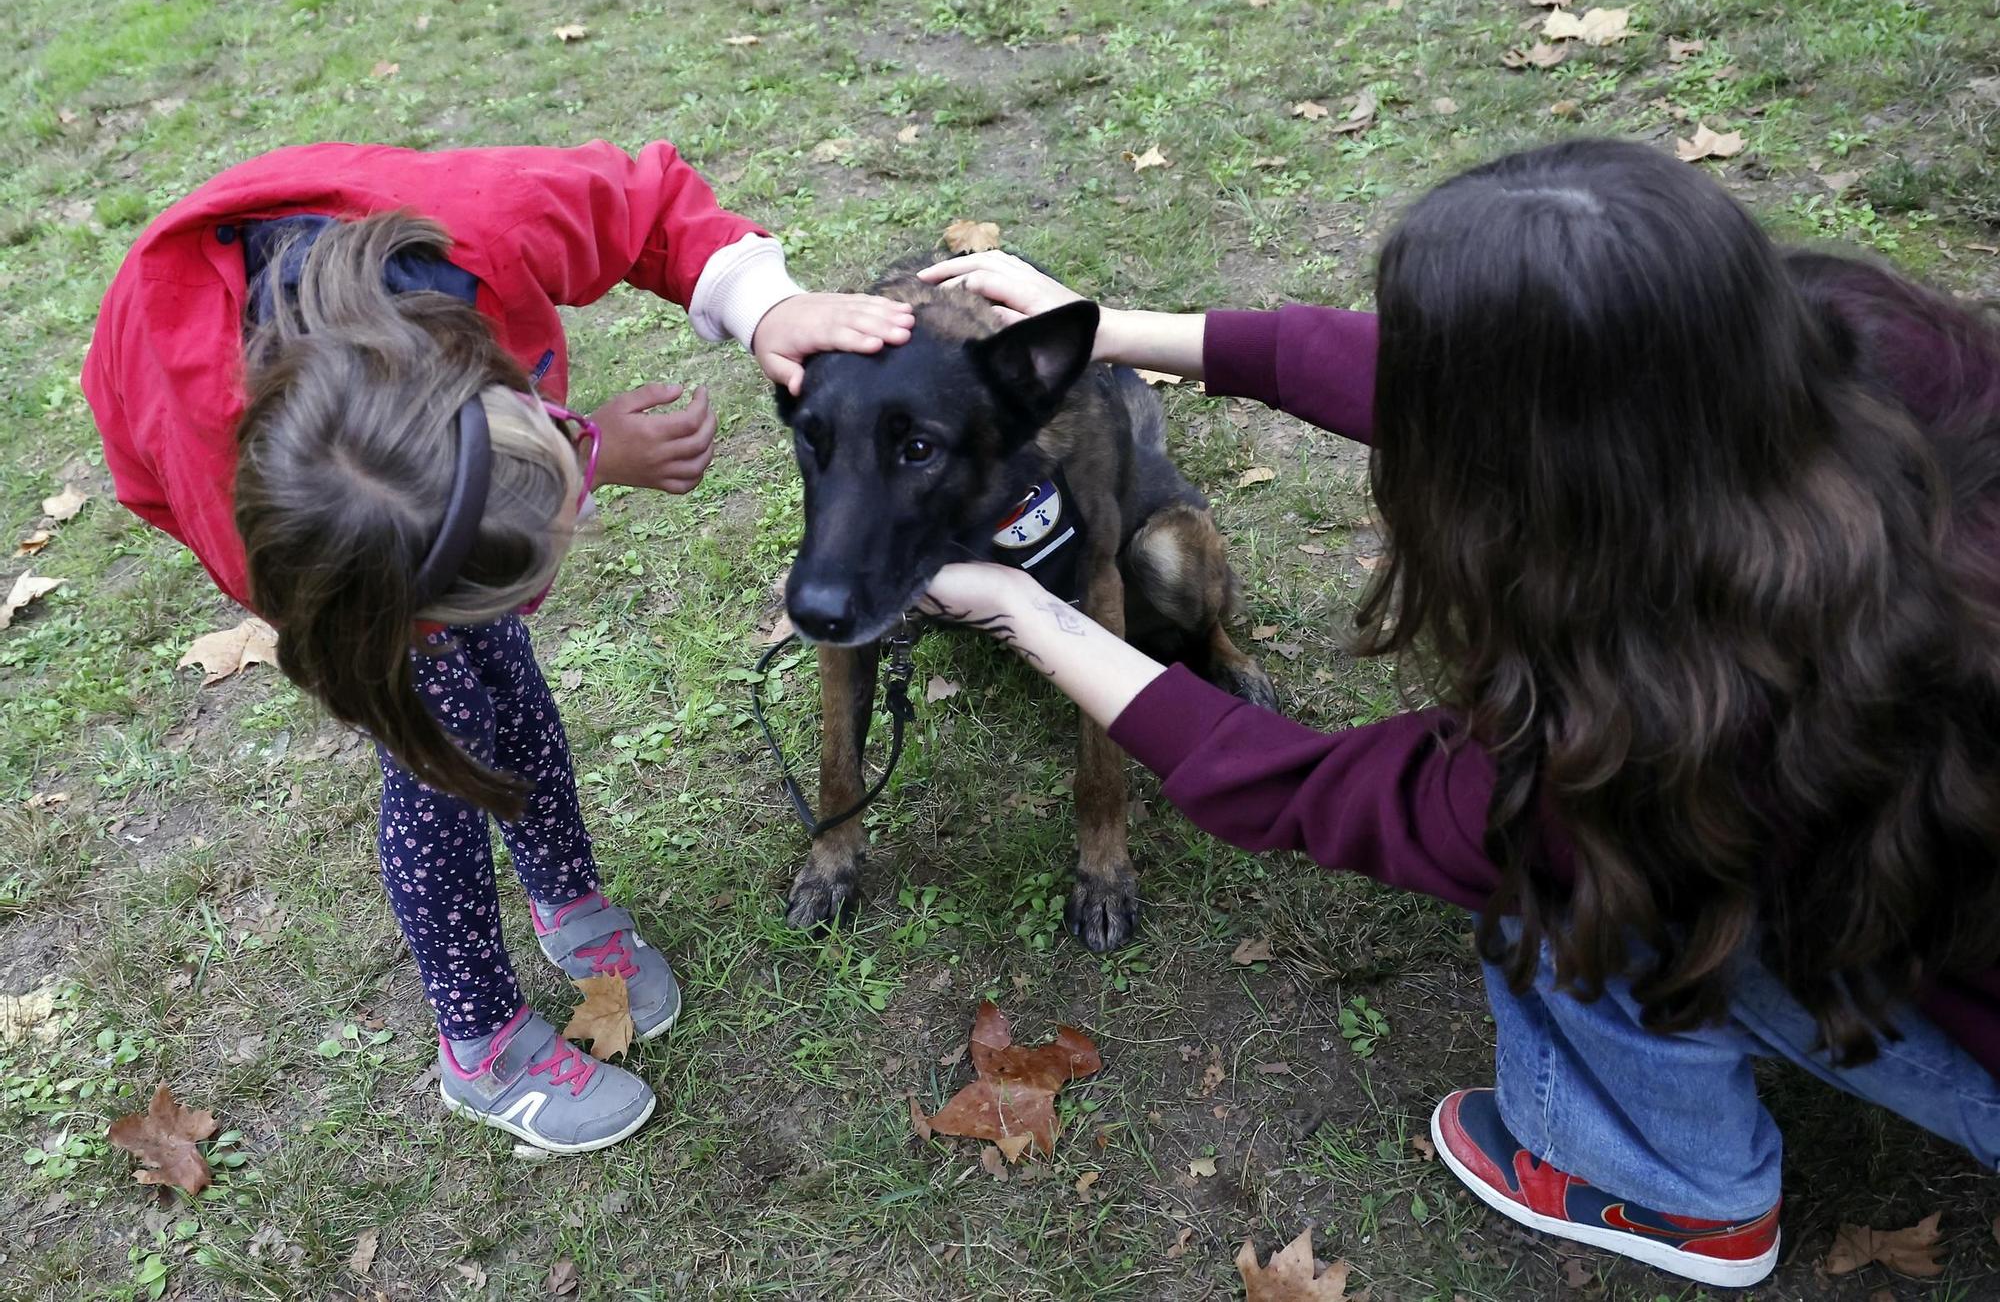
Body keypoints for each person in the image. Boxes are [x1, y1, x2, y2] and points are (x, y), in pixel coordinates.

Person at [915, 138, 2000, 1289]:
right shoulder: (1898, 361)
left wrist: (1019, 608)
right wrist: (1116, 326)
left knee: (1569, 896)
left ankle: (1675, 1187)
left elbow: (1304, 789)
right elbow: (1535, 371)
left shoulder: (1643, 738)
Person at [83, 140, 915, 1155]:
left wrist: (756, 305)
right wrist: (406, 621)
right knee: (441, 754)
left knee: (504, 684)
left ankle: (565, 896)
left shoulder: (481, 223)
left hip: (392, 522)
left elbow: (643, 203)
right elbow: (156, 483)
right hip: (330, 557)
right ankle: (480, 1042)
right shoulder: (231, 477)